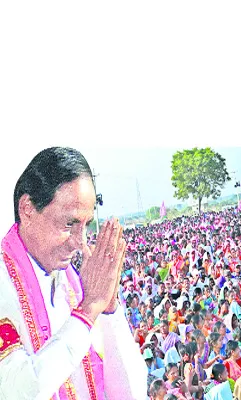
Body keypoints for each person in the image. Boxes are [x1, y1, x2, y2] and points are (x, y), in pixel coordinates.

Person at [0, 147, 147, 399]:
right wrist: (88, 310)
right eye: (69, 224)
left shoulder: (73, 284)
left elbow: (132, 393)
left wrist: (109, 310)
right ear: (27, 208)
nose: (80, 242)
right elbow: (18, 391)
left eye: (86, 225)